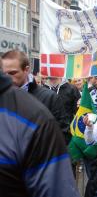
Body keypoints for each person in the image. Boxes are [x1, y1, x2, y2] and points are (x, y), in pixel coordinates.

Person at [0, 65, 80, 197]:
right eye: (7, 72)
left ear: (26, 70)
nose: (10, 76)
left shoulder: (32, 114)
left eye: (13, 72)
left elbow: (56, 187)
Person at [1, 50, 69, 142]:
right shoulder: (3, 98)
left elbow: (62, 136)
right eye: (4, 74)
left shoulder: (50, 98)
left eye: (13, 73)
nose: (8, 78)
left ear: (26, 69)